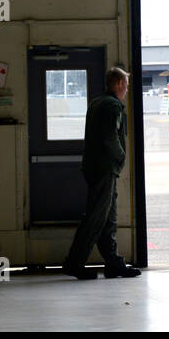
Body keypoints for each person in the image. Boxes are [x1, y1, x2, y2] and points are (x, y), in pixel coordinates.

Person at [62, 66, 141, 279]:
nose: (126, 89)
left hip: (95, 167)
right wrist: (121, 157)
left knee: (108, 218)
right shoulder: (113, 106)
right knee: (96, 218)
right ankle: (74, 263)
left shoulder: (96, 103)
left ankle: (113, 262)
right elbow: (110, 138)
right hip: (104, 168)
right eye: (125, 85)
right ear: (118, 84)